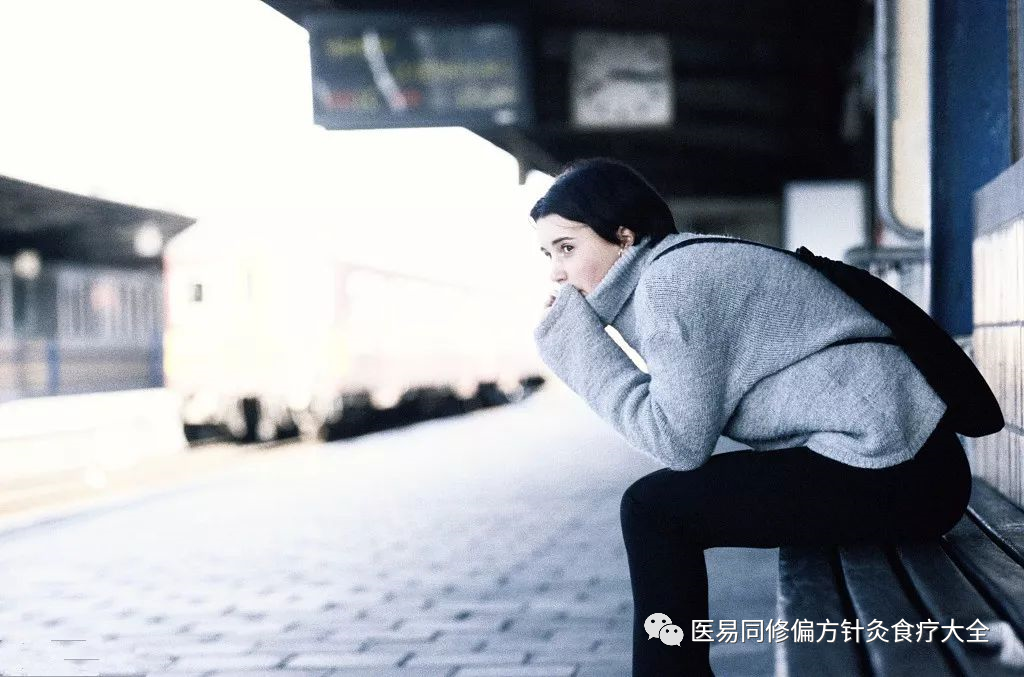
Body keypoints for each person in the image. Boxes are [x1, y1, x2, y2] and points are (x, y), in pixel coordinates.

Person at [529, 157, 972, 677]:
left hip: (902, 471)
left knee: (652, 510)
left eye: (567, 248)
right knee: (658, 506)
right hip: (906, 460)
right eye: (548, 254)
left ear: (623, 237)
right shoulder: (677, 267)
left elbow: (678, 444)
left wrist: (579, 352)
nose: (556, 271)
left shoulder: (671, 284)